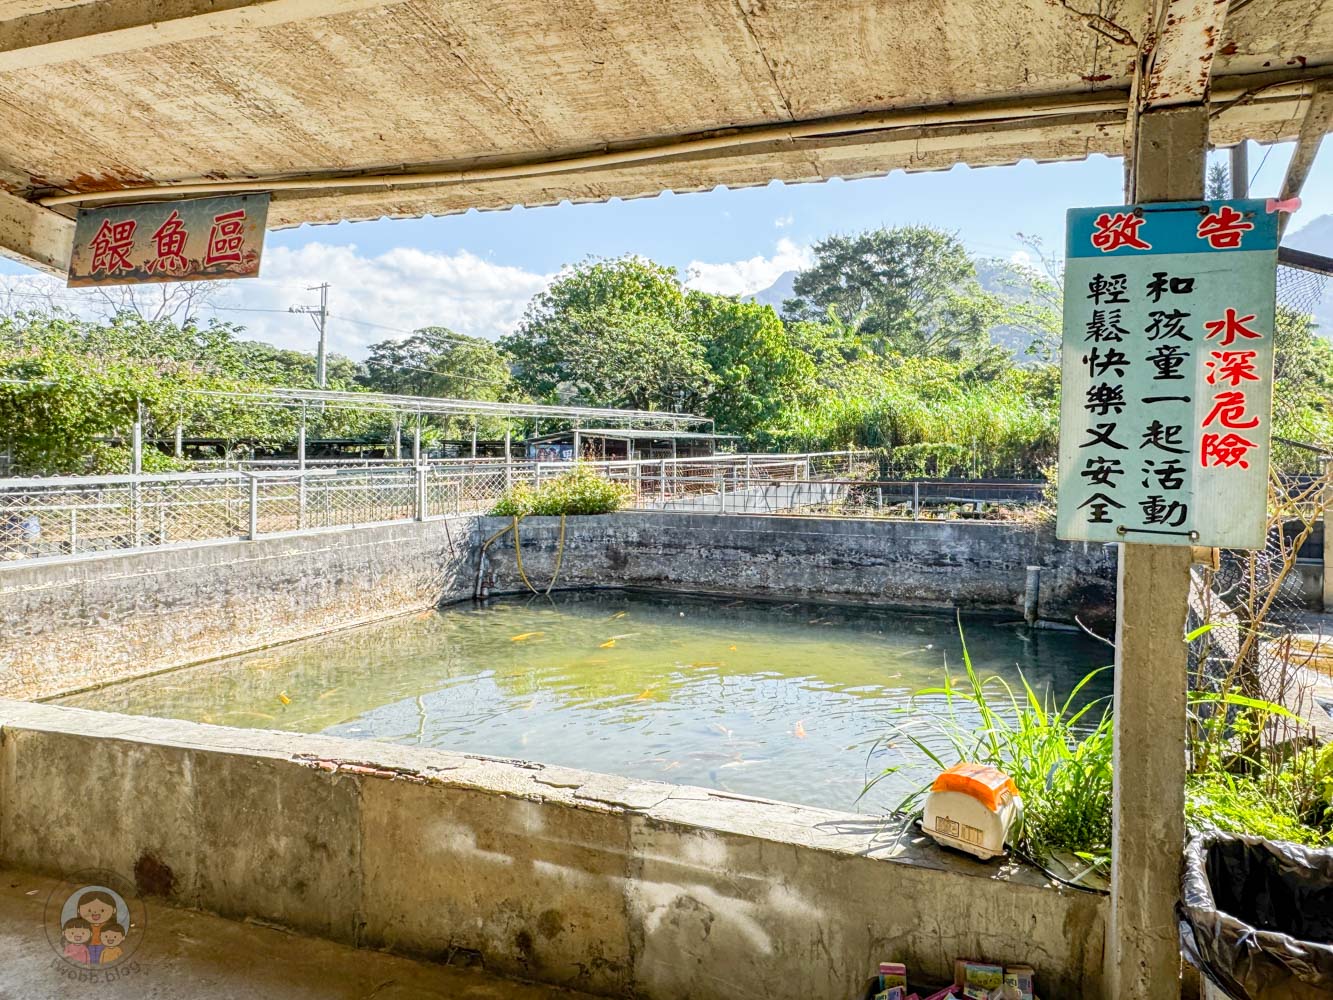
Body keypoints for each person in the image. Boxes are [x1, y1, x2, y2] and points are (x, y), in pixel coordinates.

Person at [76, 890, 117, 964]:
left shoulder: (107, 925)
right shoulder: (85, 925)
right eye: (89, 910)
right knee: (90, 958)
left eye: (102, 910)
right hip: (90, 945)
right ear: (79, 910)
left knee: (101, 958)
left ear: (113, 910)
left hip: (102, 945)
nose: (95, 912)